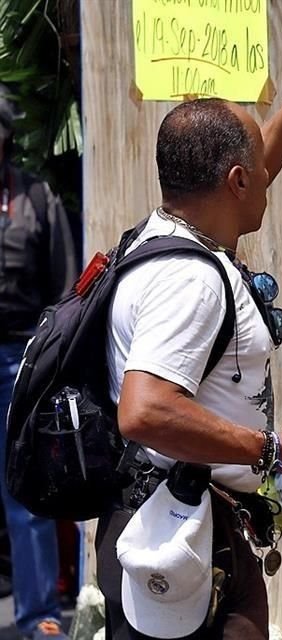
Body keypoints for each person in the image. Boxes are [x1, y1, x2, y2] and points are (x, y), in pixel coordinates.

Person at [95, 45, 282, 639]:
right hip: (186, 537)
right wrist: (271, 451)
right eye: (256, 170)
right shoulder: (191, 281)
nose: (266, 174)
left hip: (165, 518)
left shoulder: (165, 236)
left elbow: (244, 175)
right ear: (237, 181)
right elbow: (145, 410)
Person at [0, 85, 78, 640]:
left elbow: (63, 288)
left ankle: (38, 617)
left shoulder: (36, 198)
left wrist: (50, 365)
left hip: (16, 360)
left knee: (26, 492)